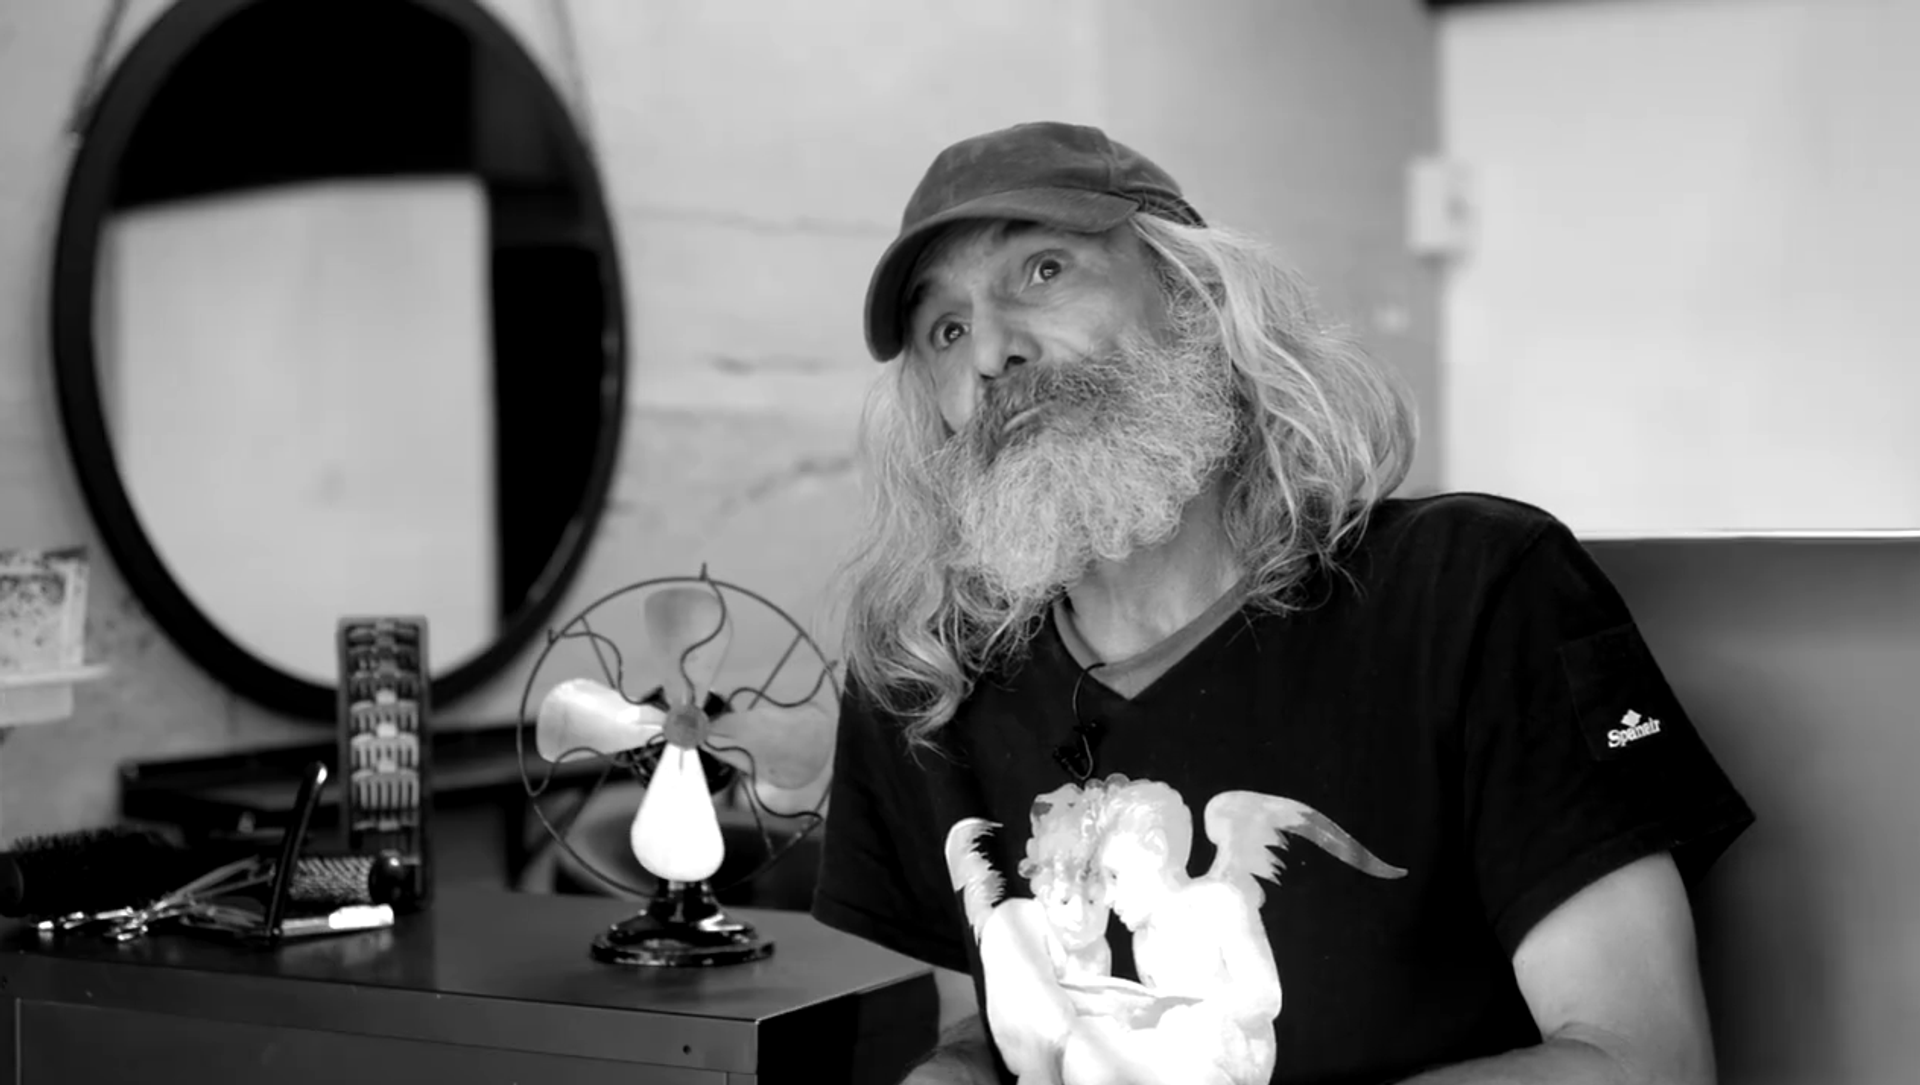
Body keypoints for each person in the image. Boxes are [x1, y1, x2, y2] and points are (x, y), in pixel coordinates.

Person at [811, 120, 1754, 1085]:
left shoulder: (1473, 590)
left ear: (1198, 297)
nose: (991, 351)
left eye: (1044, 271)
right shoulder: (927, 679)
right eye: (946, 328)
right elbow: (996, 1032)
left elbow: (1644, 1059)